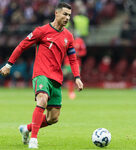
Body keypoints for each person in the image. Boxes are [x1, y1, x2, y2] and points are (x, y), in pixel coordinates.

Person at [0, 2, 83, 149]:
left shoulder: (69, 37)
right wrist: (9, 64)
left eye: (69, 15)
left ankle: (27, 128)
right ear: (56, 13)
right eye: (65, 14)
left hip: (56, 78)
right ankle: (33, 140)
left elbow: (72, 58)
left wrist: (77, 77)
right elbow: (22, 45)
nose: (67, 17)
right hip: (41, 74)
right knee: (42, 99)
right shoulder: (41, 31)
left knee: (53, 118)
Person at [63, 34, 86, 99]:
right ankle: (71, 91)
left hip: (77, 63)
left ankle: (72, 90)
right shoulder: (66, 39)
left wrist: (78, 54)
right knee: (70, 76)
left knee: (75, 77)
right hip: (68, 62)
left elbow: (84, 51)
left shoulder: (80, 41)